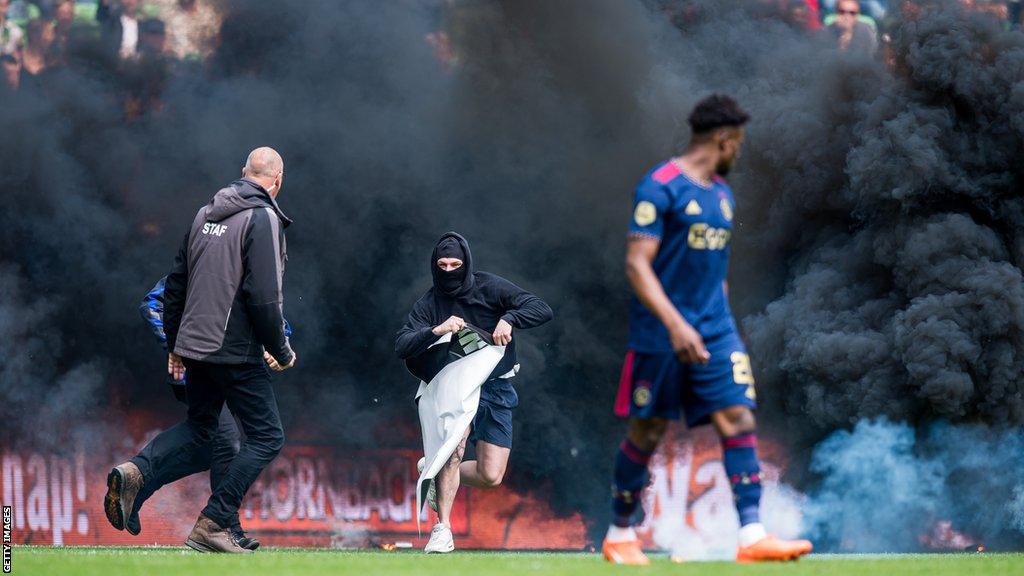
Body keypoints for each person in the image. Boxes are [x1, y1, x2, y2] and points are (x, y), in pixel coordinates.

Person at [601, 95, 814, 565]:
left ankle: (753, 536)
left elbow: (715, 271)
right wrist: (677, 325)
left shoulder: (722, 195)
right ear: (724, 139)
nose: (739, 153)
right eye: (738, 143)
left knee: (738, 418)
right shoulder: (659, 188)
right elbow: (638, 266)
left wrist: (720, 326)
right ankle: (619, 534)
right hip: (660, 333)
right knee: (647, 430)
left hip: (715, 331)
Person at [104, 147, 296, 554]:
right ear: (278, 181)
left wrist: (178, 345)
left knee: (210, 435)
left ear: (243, 172)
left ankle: (140, 476)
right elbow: (263, 298)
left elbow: (177, 284)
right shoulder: (261, 218)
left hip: (198, 351)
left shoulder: (205, 214)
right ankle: (214, 522)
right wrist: (280, 346)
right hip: (231, 351)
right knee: (265, 437)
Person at [103, 276, 294, 550]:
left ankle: (138, 488)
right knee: (226, 441)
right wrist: (176, 347)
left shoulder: (243, 261)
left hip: (228, 365)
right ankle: (221, 526)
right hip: (207, 368)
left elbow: (261, 309)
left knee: (208, 447)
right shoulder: (208, 256)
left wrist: (281, 338)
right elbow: (152, 303)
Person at [396, 232, 553, 553]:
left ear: (466, 264)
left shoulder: (489, 287)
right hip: (452, 386)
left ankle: (433, 467)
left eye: (456, 264)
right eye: (443, 264)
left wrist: (510, 319)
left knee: (490, 474)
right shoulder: (429, 303)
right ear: (434, 266)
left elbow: (541, 308)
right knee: (454, 449)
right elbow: (402, 344)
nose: (449, 270)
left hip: (496, 383)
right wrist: (436, 330)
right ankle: (442, 529)